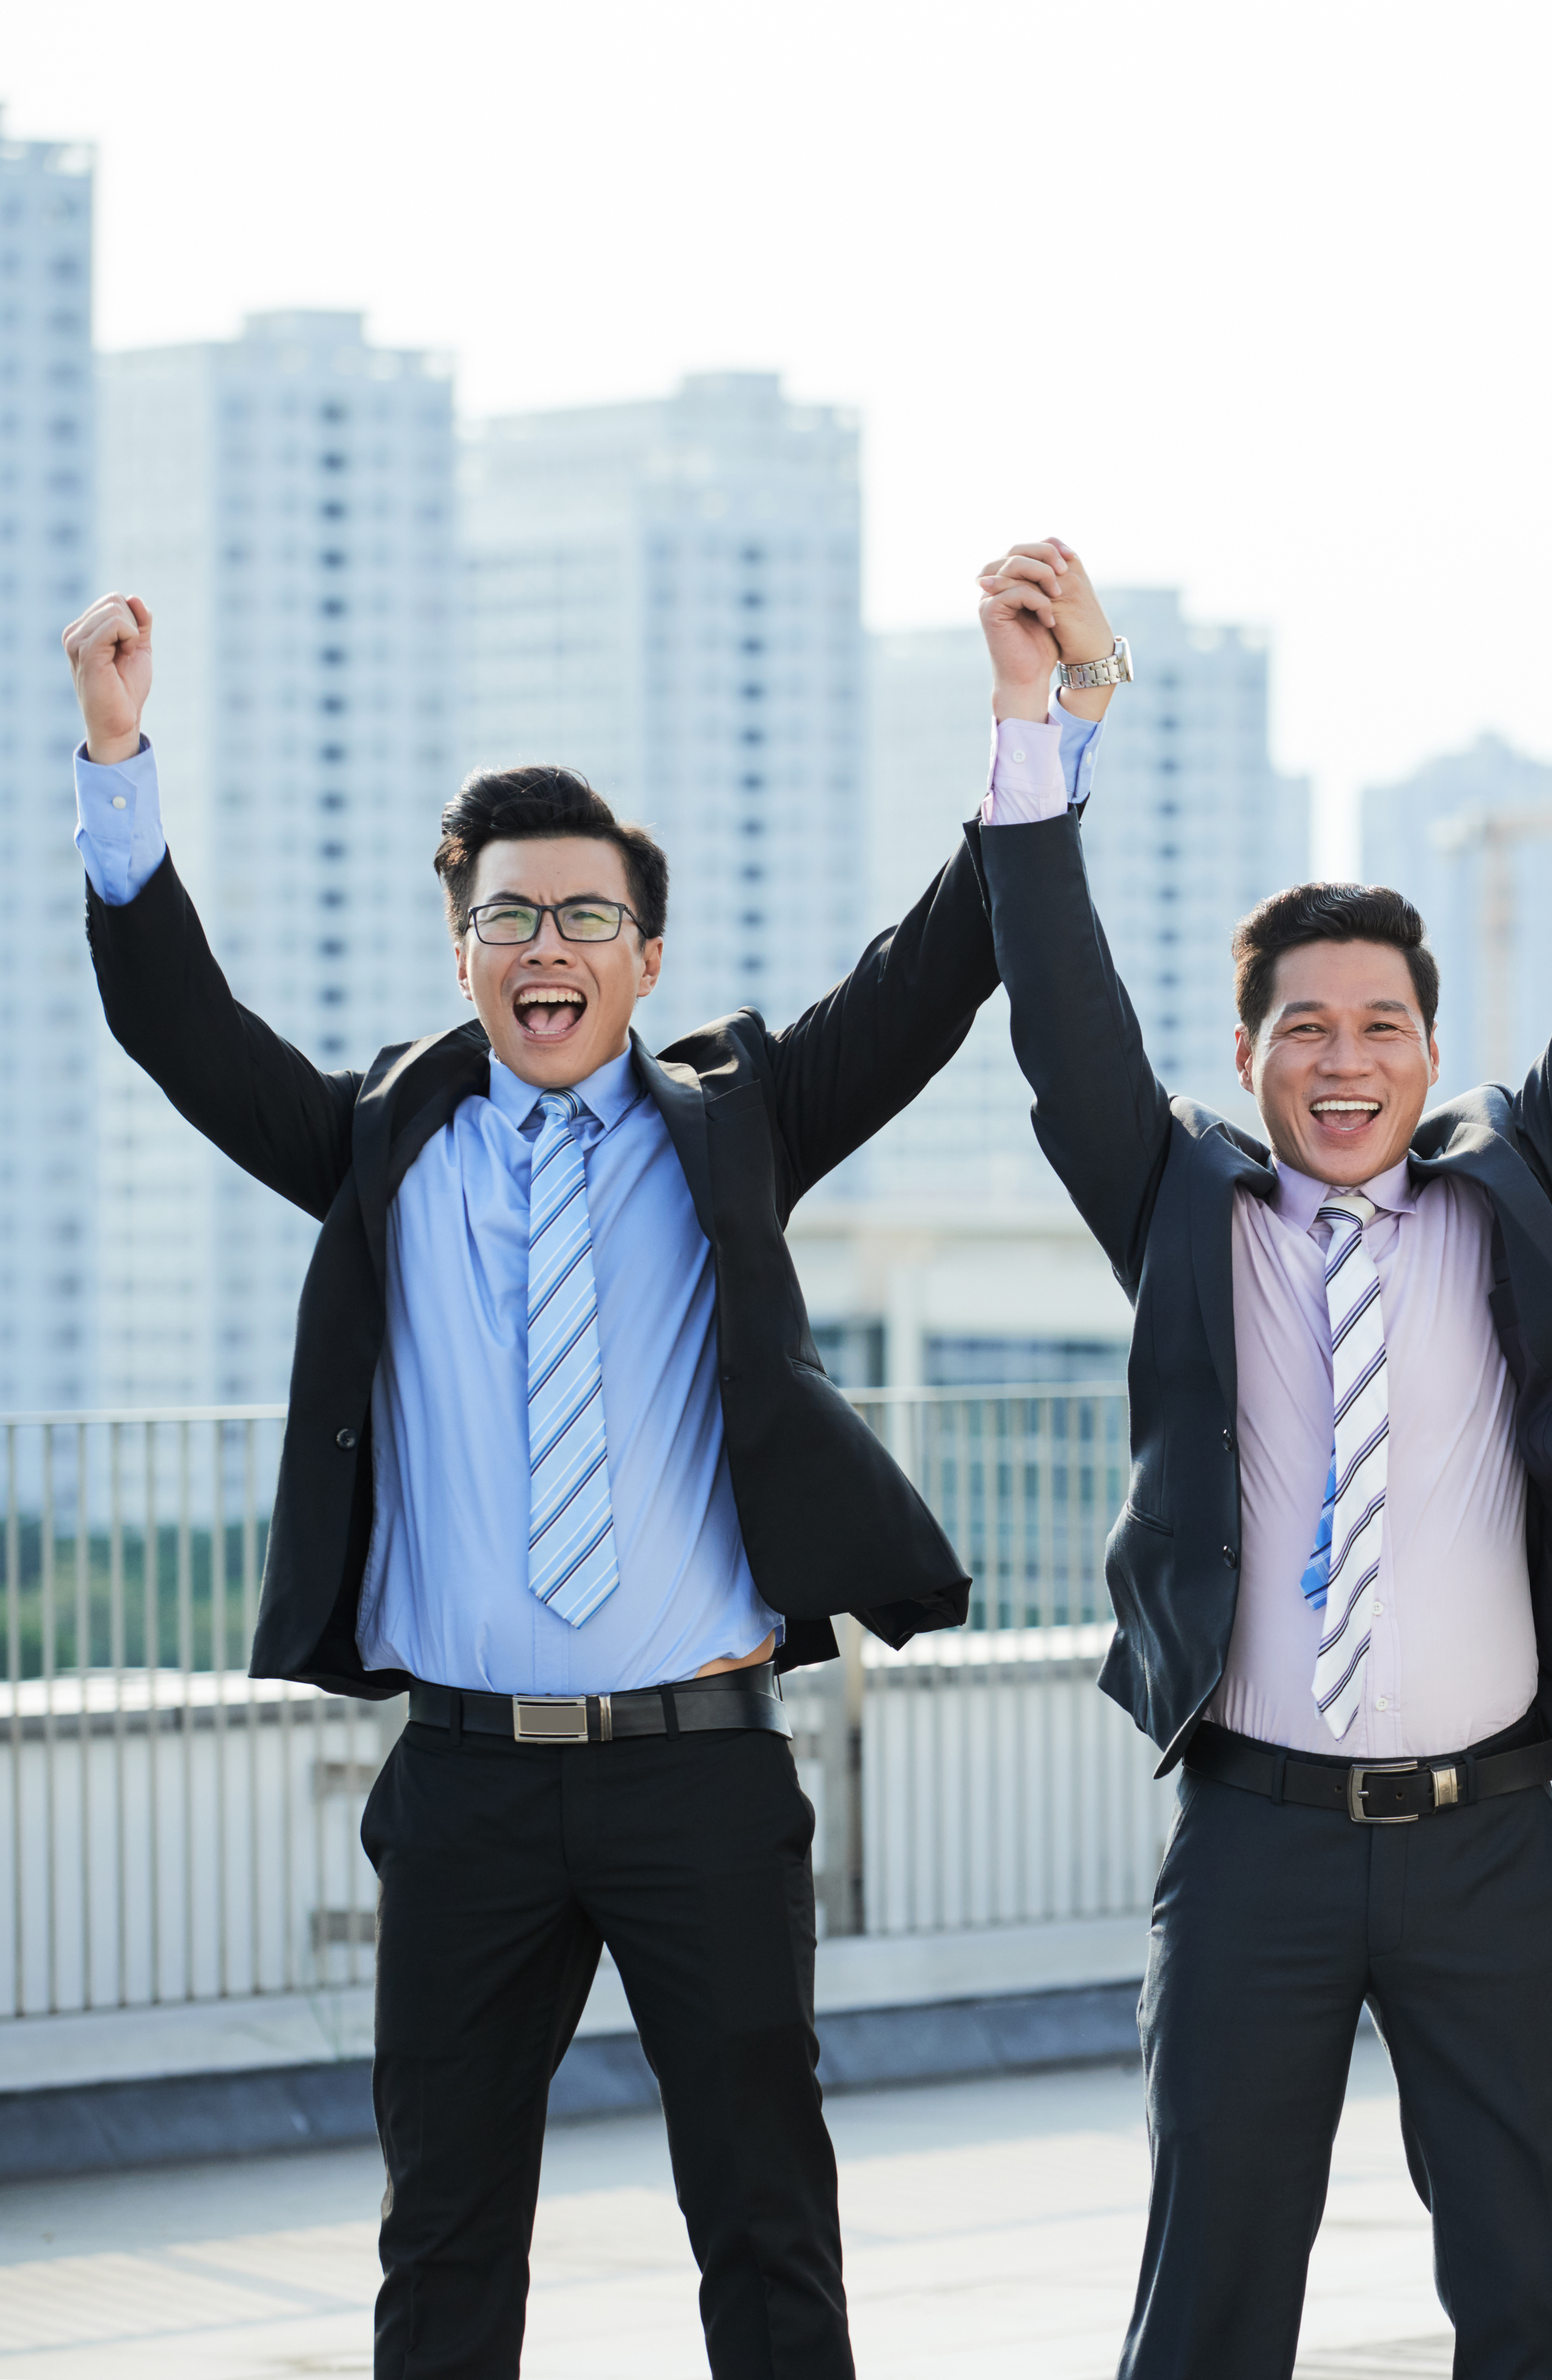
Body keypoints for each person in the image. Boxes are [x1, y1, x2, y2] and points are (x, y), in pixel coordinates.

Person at [58, 549, 1086, 2379]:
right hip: (463, 1789)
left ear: (650, 956)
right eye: (511, 918)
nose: (550, 949)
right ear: (458, 949)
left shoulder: (738, 1125)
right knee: (444, 2237)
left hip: (701, 1777)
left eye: (589, 919)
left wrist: (1031, 726)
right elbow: (174, 1027)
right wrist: (119, 757)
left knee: (767, 2224)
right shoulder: (383, 1146)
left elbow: (935, 977)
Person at [974, 548, 1552, 2378]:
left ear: (1433, 1050)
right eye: (1305, 1030)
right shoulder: (1183, 1208)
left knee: (1543, 2295)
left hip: (1487, 1849)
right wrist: (1033, 728)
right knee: (1206, 2311)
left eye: (1381, 1029)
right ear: (1249, 1054)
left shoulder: (1504, 1191)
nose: (1344, 1065)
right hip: (1254, 1843)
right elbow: (1055, 1013)